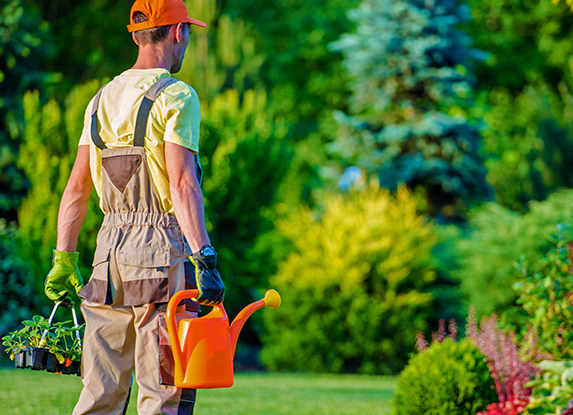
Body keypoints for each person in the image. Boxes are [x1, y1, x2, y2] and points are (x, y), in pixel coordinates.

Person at [43, 0, 225, 413]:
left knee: (100, 393)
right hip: (161, 255)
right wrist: (206, 259)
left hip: (107, 257)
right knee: (163, 392)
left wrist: (63, 257)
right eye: (188, 33)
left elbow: (75, 189)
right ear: (178, 32)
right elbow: (182, 183)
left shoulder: (101, 99)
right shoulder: (178, 96)